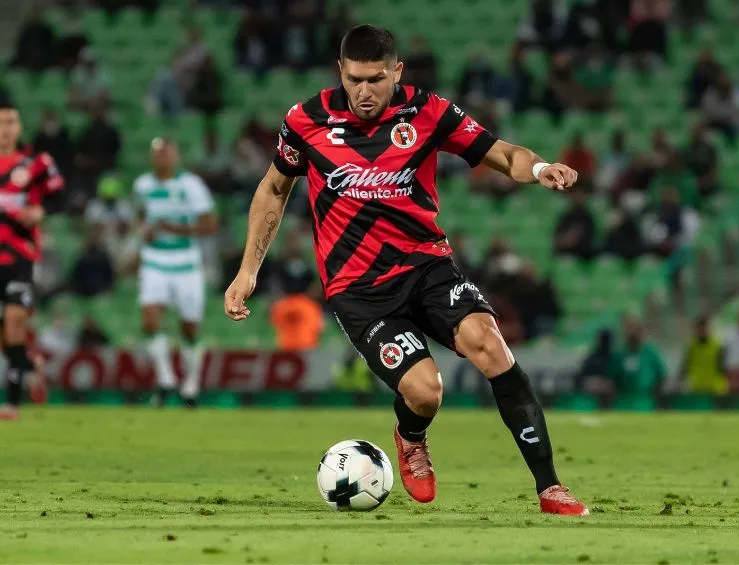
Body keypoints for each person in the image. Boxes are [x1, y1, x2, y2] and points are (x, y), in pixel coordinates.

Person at [224, 25, 587, 515]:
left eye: (375, 79)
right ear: (340, 72)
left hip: (426, 266)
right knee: (426, 391)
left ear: (396, 71)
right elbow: (273, 189)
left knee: (491, 345)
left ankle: (550, 489)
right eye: (354, 79)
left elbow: (499, 153)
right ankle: (410, 434)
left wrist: (541, 169)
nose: (364, 91)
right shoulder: (305, 120)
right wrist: (249, 270)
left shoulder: (427, 112)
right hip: (359, 290)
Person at [134, 137, 218, 408]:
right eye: (157, 154)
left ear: (176, 156)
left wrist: (173, 229)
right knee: (149, 320)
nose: (162, 158)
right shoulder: (142, 185)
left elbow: (209, 225)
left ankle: (190, 384)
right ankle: (166, 378)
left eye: (166, 154)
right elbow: (140, 213)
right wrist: (144, 229)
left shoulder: (191, 185)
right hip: (154, 260)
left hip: (186, 263)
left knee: (189, 328)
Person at [0, 97, 64, 421]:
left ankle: (11, 404)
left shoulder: (36, 163)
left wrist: (42, 209)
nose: (4, 129)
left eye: (10, 122)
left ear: (20, 126)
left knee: (13, 325)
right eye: (0, 123)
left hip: (18, 257)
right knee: (6, 338)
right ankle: (29, 363)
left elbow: (62, 195)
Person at [678, 315, 728, 395]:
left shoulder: (718, 346)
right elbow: (684, 369)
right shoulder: (690, 347)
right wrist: (679, 385)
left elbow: (724, 369)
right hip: (696, 389)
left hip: (715, 390)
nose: (701, 331)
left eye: (704, 328)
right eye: (699, 328)